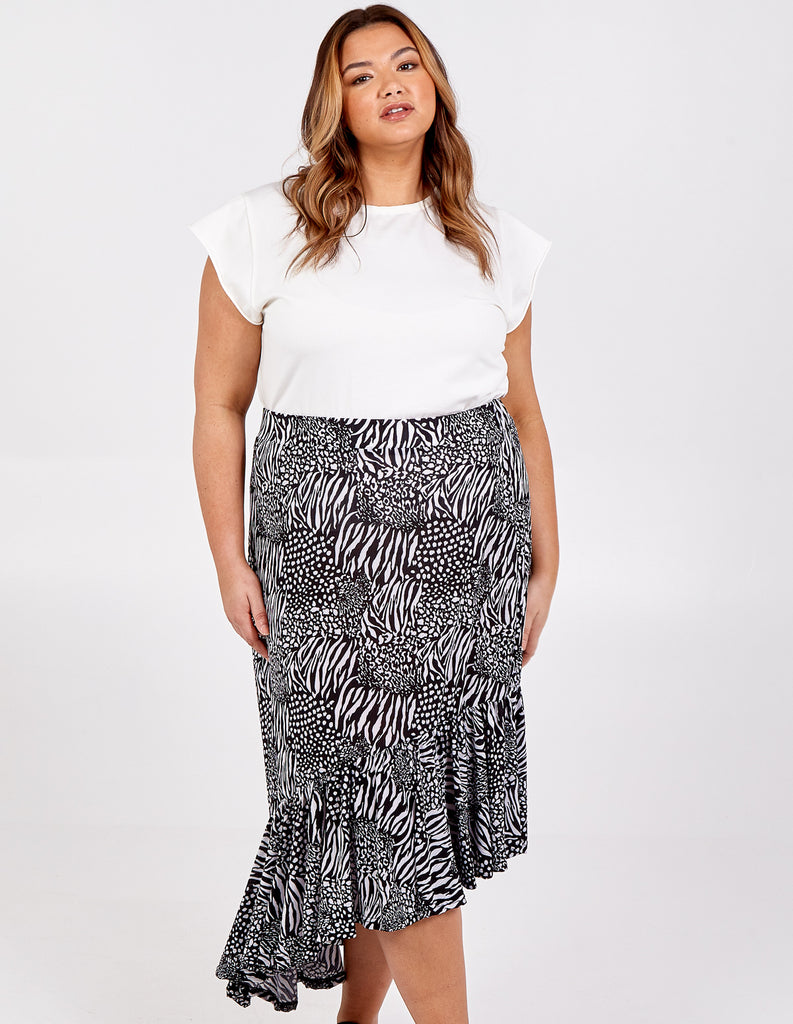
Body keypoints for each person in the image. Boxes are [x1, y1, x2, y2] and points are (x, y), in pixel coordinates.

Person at [189, 5, 558, 1022]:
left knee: (402, 806)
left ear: (435, 85)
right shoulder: (258, 229)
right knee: (368, 799)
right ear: (333, 103)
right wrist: (227, 561)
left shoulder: (494, 243)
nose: (391, 83)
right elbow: (218, 405)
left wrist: (544, 564)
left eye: (408, 63)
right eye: (361, 74)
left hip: (463, 558)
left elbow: (523, 413)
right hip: (318, 561)